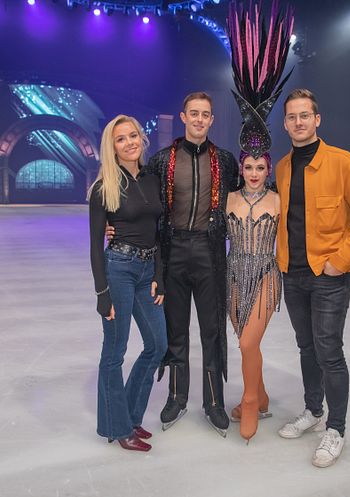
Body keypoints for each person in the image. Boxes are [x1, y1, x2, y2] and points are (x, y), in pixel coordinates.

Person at [275, 89, 350, 467]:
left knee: (329, 351)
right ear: (285, 123)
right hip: (293, 273)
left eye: (305, 115)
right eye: (291, 117)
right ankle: (312, 411)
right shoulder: (283, 167)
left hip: (328, 275)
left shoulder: (341, 162)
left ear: (317, 119)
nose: (298, 122)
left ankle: (336, 428)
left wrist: (341, 261)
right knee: (306, 347)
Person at [145, 92, 239, 437]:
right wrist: (114, 224)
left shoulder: (226, 161)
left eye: (206, 114)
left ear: (212, 120)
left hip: (209, 253)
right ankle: (176, 397)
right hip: (173, 254)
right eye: (194, 113)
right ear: (183, 117)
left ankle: (214, 402)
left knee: (212, 331)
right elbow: (142, 204)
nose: (200, 119)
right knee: (176, 332)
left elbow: (247, 196)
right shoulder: (161, 160)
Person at [88, 115, 168, 452]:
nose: (130, 142)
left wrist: (160, 278)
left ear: (142, 139)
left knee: (157, 345)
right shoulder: (103, 186)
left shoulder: (152, 179)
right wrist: (102, 293)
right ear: (113, 146)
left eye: (133, 135)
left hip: (147, 271)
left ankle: (132, 417)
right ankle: (116, 427)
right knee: (115, 352)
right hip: (118, 269)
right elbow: (94, 244)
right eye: (121, 139)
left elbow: (159, 231)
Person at [225, 152, 281, 443]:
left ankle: (249, 401)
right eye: (249, 167)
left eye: (260, 167)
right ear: (241, 168)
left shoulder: (277, 200)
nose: (254, 173)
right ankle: (262, 396)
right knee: (247, 344)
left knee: (248, 341)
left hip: (265, 275)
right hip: (233, 275)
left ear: (268, 169)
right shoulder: (228, 198)